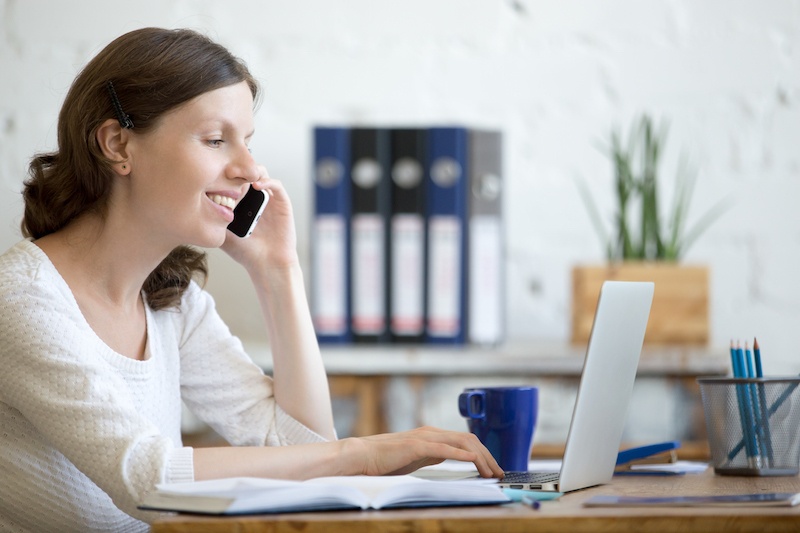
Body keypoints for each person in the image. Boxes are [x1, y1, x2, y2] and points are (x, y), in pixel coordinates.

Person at [0, 27, 503, 532]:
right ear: (117, 144)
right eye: (216, 139)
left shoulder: (172, 305)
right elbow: (147, 480)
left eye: (248, 142)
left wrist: (278, 271)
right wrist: (362, 454)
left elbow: (303, 451)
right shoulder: (23, 300)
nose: (249, 168)